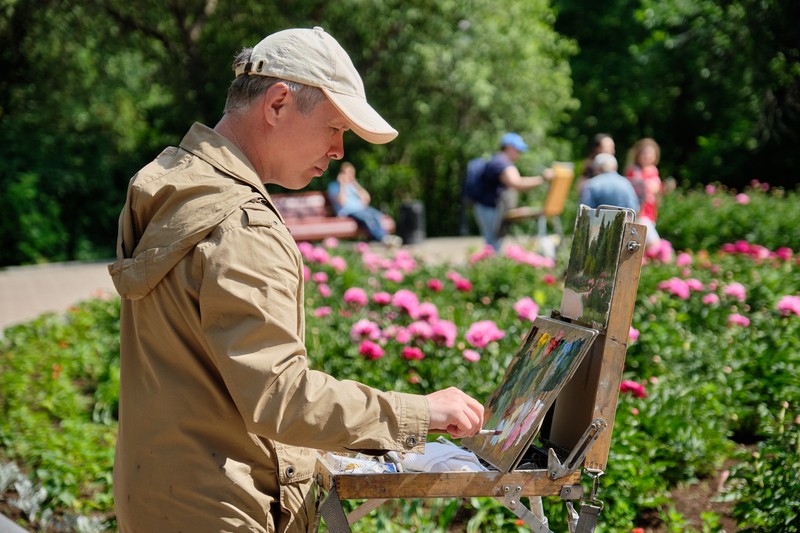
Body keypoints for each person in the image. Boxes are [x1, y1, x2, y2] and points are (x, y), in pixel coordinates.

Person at [108, 27, 484, 532]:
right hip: (223, 507)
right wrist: (419, 413)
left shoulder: (175, 183)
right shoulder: (241, 222)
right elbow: (279, 397)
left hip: (163, 494)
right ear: (278, 103)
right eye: (334, 127)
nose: (338, 151)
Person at [472, 132, 554, 252]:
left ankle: (491, 265)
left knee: (493, 243)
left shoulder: (497, 160)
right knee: (493, 245)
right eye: (518, 150)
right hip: (489, 208)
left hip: (487, 208)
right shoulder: (500, 163)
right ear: (509, 147)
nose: (519, 154)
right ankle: (492, 267)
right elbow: (517, 183)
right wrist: (543, 178)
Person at [327, 161, 401, 246]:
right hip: (349, 212)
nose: (350, 176)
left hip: (361, 209)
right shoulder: (334, 186)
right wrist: (342, 185)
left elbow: (366, 199)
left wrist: (355, 183)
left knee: (377, 215)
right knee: (367, 218)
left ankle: (386, 237)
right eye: (348, 173)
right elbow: (341, 202)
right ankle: (383, 238)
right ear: (341, 174)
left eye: (352, 174)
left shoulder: (352, 186)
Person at [624, 137, 664, 250]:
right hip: (638, 214)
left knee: (641, 244)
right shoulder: (633, 171)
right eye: (644, 153)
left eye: (650, 153)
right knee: (653, 243)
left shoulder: (654, 171)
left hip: (650, 213)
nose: (647, 156)